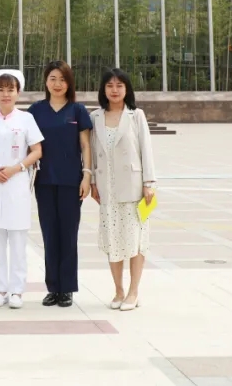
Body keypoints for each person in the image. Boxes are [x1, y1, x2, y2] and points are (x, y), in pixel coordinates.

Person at [0, 69, 43, 309]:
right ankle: (0, 289)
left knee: (18, 240)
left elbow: (37, 150)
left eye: (10, 89)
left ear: (18, 92)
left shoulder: (26, 119)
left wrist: (16, 168)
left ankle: (17, 291)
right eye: (1, 89)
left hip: (16, 183)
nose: (5, 94)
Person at [28, 61, 93, 308]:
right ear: (46, 81)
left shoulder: (77, 111)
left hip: (70, 181)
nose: (57, 84)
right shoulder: (35, 111)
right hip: (44, 181)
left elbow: (85, 145)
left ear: (69, 83)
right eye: (53, 78)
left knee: (68, 234)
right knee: (49, 234)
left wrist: (86, 176)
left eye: (62, 79)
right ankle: (53, 288)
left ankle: (67, 288)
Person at [90, 68, 157, 311]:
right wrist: (93, 182)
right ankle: (118, 291)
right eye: (110, 86)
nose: (114, 90)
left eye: (119, 85)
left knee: (135, 240)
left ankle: (133, 292)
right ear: (103, 90)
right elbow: (92, 152)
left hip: (134, 188)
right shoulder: (95, 117)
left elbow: (146, 149)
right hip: (107, 188)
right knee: (113, 240)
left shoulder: (136, 115)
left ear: (127, 89)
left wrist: (149, 183)